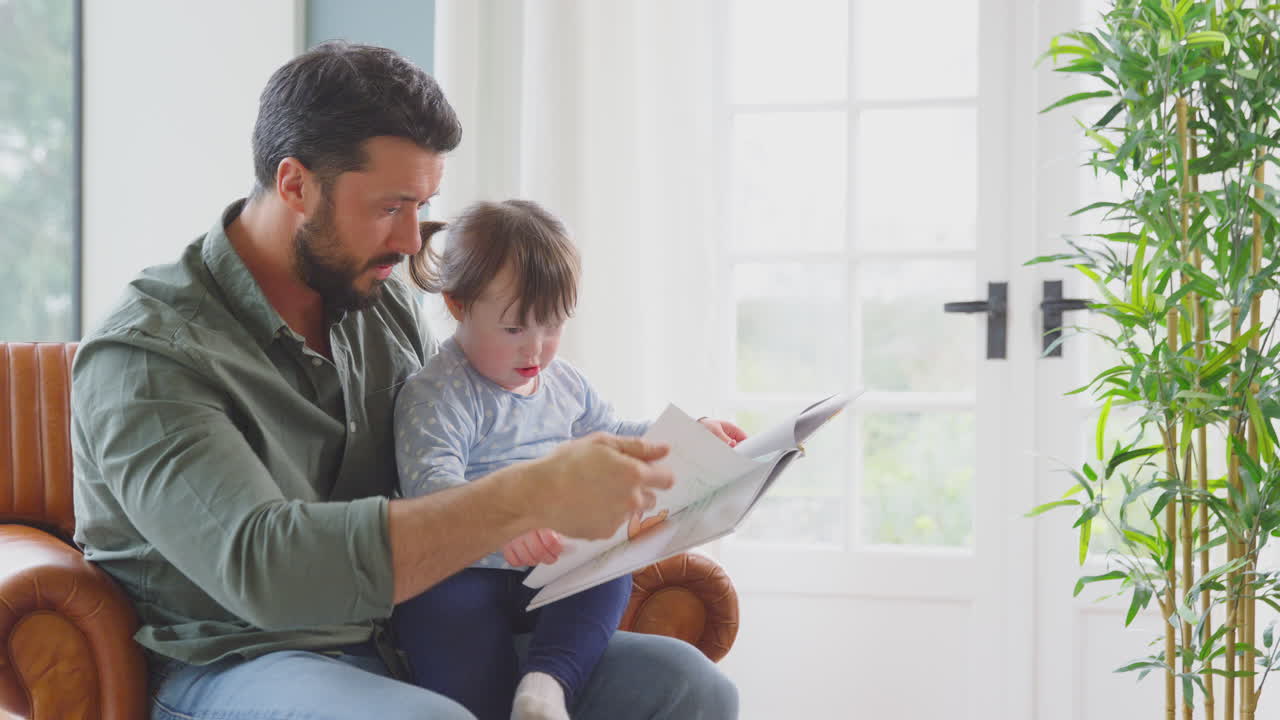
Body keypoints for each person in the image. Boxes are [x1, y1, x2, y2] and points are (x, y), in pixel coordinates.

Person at [70, 41, 739, 720]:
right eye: (391, 207)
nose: (416, 240)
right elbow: (264, 569)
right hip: (237, 660)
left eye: (424, 204)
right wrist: (528, 496)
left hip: (400, 636)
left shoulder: (377, 299)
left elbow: (460, 436)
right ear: (296, 184)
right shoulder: (147, 359)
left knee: (687, 685)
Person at [392, 200, 746, 720]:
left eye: (552, 326)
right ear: (458, 304)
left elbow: (614, 438)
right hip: (461, 572)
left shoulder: (565, 384)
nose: (535, 349)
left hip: (551, 565)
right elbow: (432, 484)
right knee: (443, 622)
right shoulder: (438, 393)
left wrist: (684, 437)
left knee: (608, 568)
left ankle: (548, 682)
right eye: (514, 330)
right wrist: (496, 522)